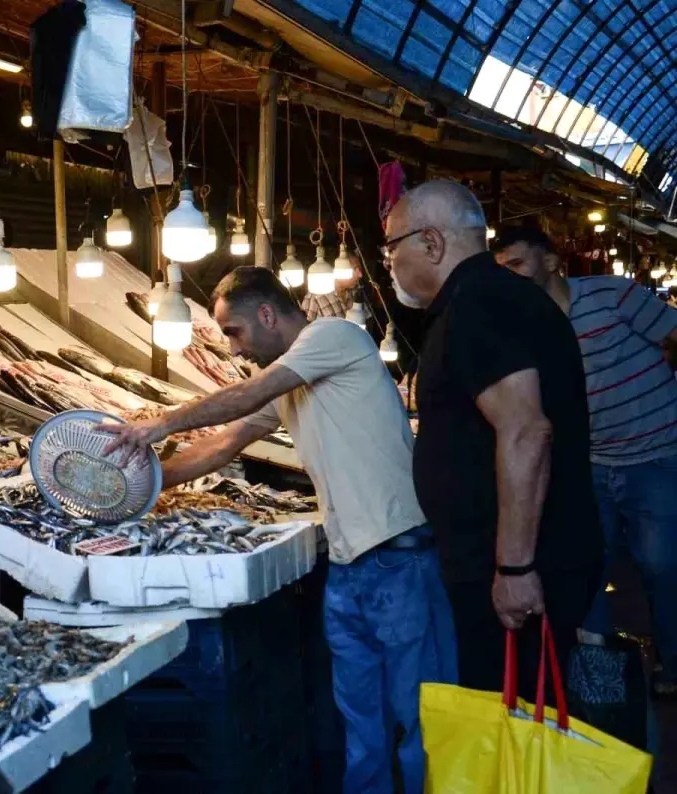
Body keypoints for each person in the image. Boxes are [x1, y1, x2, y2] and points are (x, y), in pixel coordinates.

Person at [100, 266, 456, 794]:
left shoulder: (332, 338)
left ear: (267, 314)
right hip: (348, 567)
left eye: (234, 332)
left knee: (420, 717)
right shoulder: (291, 378)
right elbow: (226, 442)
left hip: (400, 559)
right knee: (361, 726)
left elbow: (247, 395)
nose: (234, 350)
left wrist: (162, 423)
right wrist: (144, 484)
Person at [384, 180, 603, 697]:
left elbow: (527, 431)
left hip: (523, 570)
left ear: (432, 243)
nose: (388, 262)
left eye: (392, 247)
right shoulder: (498, 297)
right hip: (522, 560)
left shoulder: (478, 305)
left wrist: (514, 566)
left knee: (522, 726)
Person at [493, 225, 677, 696]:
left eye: (517, 263)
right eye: (502, 269)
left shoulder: (614, 296)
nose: (509, 276)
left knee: (661, 568)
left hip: (655, 457)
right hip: (590, 466)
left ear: (551, 261)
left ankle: (672, 667)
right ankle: (599, 683)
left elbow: (673, 336)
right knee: (587, 570)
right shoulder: (524, 327)